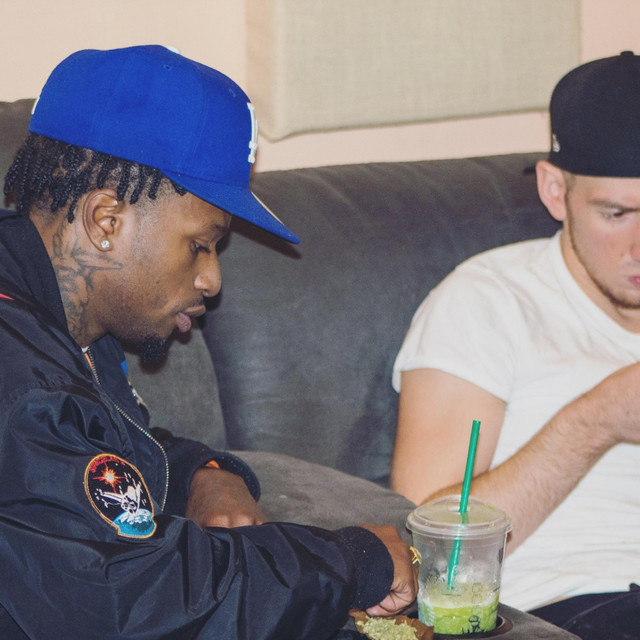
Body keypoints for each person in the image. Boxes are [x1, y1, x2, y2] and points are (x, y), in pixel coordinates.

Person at [0, 45, 417, 640]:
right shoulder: (23, 381)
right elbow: (137, 597)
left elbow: (90, 453)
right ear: (106, 221)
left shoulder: (54, 326)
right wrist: (349, 562)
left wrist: (203, 471)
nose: (212, 280)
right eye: (201, 244)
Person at [391, 51, 640, 633]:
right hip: (580, 605)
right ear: (555, 190)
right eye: (616, 214)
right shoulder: (488, 302)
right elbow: (431, 549)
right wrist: (599, 419)